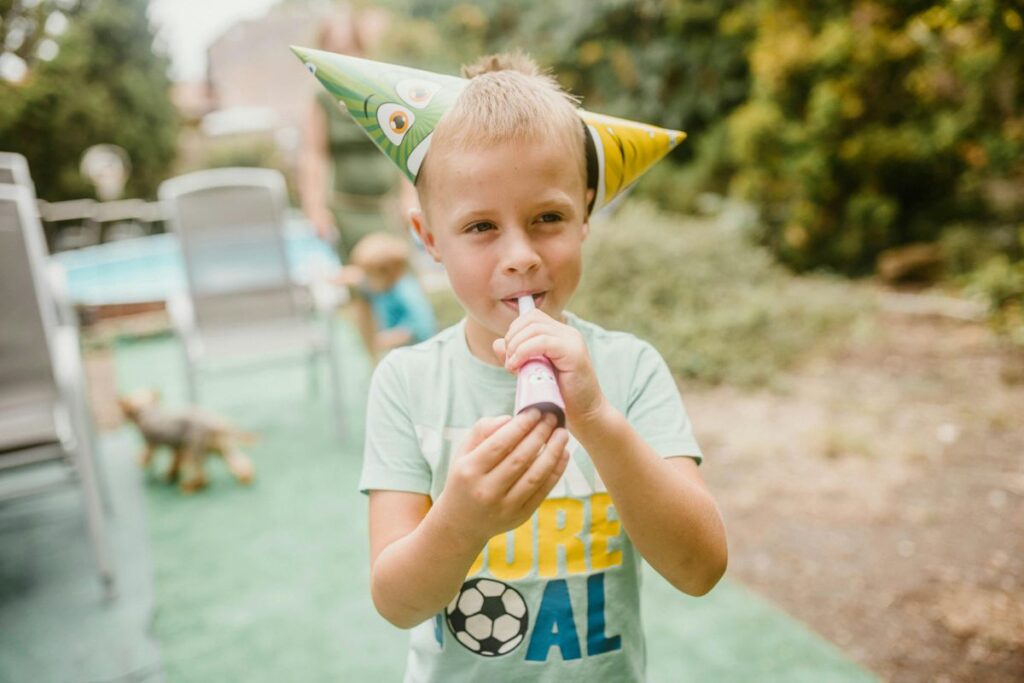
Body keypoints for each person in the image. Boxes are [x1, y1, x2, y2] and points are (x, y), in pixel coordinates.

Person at [359, 54, 727, 680]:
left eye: (548, 218)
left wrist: (597, 418)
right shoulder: (406, 383)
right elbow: (397, 603)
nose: (521, 256)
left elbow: (700, 568)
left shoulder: (630, 369)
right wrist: (462, 521)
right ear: (429, 239)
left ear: (586, 214)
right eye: (480, 226)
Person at [297, 8, 403, 260]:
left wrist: (410, 200)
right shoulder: (320, 100)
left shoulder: (383, 93)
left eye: (348, 48)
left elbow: (402, 147)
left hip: (388, 209)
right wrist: (315, 209)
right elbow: (313, 156)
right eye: (334, 50)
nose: (341, 57)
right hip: (347, 212)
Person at [336, 232, 435, 361]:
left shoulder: (406, 292)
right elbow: (362, 281)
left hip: (418, 353)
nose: (365, 279)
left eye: (368, 275)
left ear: (387, 273)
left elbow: (423, 324)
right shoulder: (384, 285)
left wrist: (390, 338)